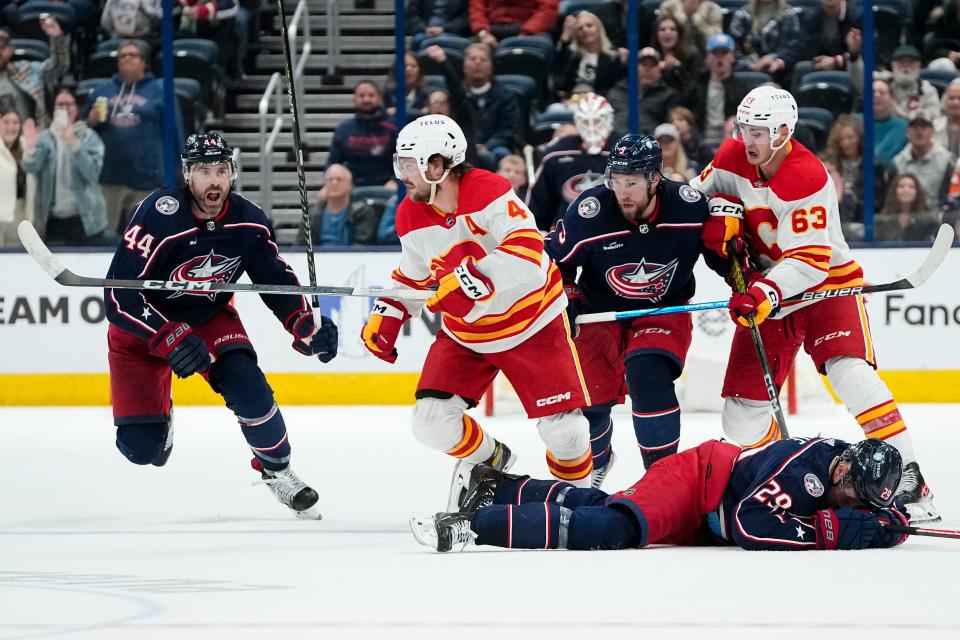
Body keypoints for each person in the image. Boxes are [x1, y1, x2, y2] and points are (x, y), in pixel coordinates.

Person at [690, 86, 940, 522]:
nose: (748, 139)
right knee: (740, 414)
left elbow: (809, 260)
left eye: (759, 131)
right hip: (766, 294)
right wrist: (712, 215)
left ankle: (909, 481)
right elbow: (693, 198)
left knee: (851, 374)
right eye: (744, 128)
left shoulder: (807, 176)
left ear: (784, 131)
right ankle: (777, 477)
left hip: (825, 286)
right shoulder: (732, 156)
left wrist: (763, 292)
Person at [361, 114, 595, 510]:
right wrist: (391, 309)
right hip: (467, 335)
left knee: (565, 433)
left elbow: (526, 251)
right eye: (400, 164)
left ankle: (578, 501)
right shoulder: (409, 213)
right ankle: (493, 463)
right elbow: (415, 276)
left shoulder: (489, 190)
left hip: (533, 321)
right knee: (430, 423)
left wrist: (471, 281)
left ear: (438, 165)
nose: (402, 175)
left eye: (408, 164)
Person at [103, 133, 339, 518]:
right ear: (187, 176)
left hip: (207, 318)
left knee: (250, 387)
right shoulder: (158, 214)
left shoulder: (249, 223)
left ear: (232, 174)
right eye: (203, 171)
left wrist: (305, 326)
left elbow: (274, 281)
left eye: (221, 171)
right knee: (140, 450)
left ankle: (277, 471)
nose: (213, 181)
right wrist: (169, 336)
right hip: (142, 331)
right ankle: (162, 417)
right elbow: (119, 296)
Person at [543, 133, 732, 486]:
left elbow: (720, 256)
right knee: (591, 402)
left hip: (663, 310)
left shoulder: (689, 207)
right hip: (598, 312)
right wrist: (566, 298)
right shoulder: (590, 211)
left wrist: (743, 280)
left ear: (654, 179)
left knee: (648, 375)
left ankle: (663, 480)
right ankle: (595, 467)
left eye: (631, 183)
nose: (622, 192)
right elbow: (558, 262)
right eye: (616, 181)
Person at [410, 436, 911, 553]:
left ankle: (499, 486)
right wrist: (836, 532)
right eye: (854, 497)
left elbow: (876, 509)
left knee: (605, 507)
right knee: (614, 528)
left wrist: (884, 521)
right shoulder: (804, 472)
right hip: (697, 485)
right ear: (843, 469)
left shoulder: (848, 473)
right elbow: (750, 526)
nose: (855, 505)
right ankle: (471, 526)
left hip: (706, 499)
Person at [88, 39, 184, 234]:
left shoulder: (161, 91)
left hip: (147, 178)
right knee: (105, 235)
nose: (126, 59)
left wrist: (178, 171)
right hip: (109, 177)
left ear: (144, 62)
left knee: (145, 236)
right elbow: (84, 133)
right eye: (122, 55)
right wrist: (91, 121)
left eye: (132, 55)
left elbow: (175, 131)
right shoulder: (102, 91)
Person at [21, 86, 108, 246]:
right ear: (53, 109)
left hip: (85, 219)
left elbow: (92, 174)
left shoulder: (89, 137)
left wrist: (74, 143)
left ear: (76, 108)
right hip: (53, 219)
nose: (64, 109)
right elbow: (31, 168)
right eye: (59, 105)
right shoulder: (44, 138)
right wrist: (31, 148)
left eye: (69, 104)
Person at [526, 92, 615, 231]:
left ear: (608, 119)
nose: (591, 127)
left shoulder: (622, 151)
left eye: (597, 120)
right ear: (578, 122)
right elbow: (539, 203)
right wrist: (537, 231)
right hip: (567, 233)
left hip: (612, 232)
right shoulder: (556, 154)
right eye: (586, 121)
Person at [326, 80, 399, 188]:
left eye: (371, 95)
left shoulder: (393, 128)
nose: (366, 99)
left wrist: (395, 181)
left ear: (379, 98)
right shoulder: (344, 129)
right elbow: (333, 162)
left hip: (388, 187)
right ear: (354, 99)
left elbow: (403, 160)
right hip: (352, 187)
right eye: (361, 95)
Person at [552, 11, 626, 101]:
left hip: (600, 103)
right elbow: (557, 76)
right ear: (577, 36)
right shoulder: (572, 55)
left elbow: (616, 88)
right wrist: (565, 37)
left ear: (599, 29)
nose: (585, 30)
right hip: (570, 101)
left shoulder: (613, 57)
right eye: (580, 28)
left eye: (589, 26)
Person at [300, 163, 379, 246]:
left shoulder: (363, 212)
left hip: (351, 257)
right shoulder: (312, 214)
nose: (334, 183)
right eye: (330, 179)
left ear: (350, 184)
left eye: (339, 179)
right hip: (318, 257)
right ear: (325, 185)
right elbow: (301, 246)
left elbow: (362, 245)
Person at [0, 97, 34, 246]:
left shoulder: (26, 145)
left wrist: (33, 149)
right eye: (6, 122)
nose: (11, 127)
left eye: (15, 123)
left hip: (21, 215)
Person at [874, 173, 940, 242]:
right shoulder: (883, 221)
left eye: (911, 187)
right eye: (901, 186)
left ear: (917, 192)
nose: (906, 190)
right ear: (894, 191)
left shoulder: (928, 222)